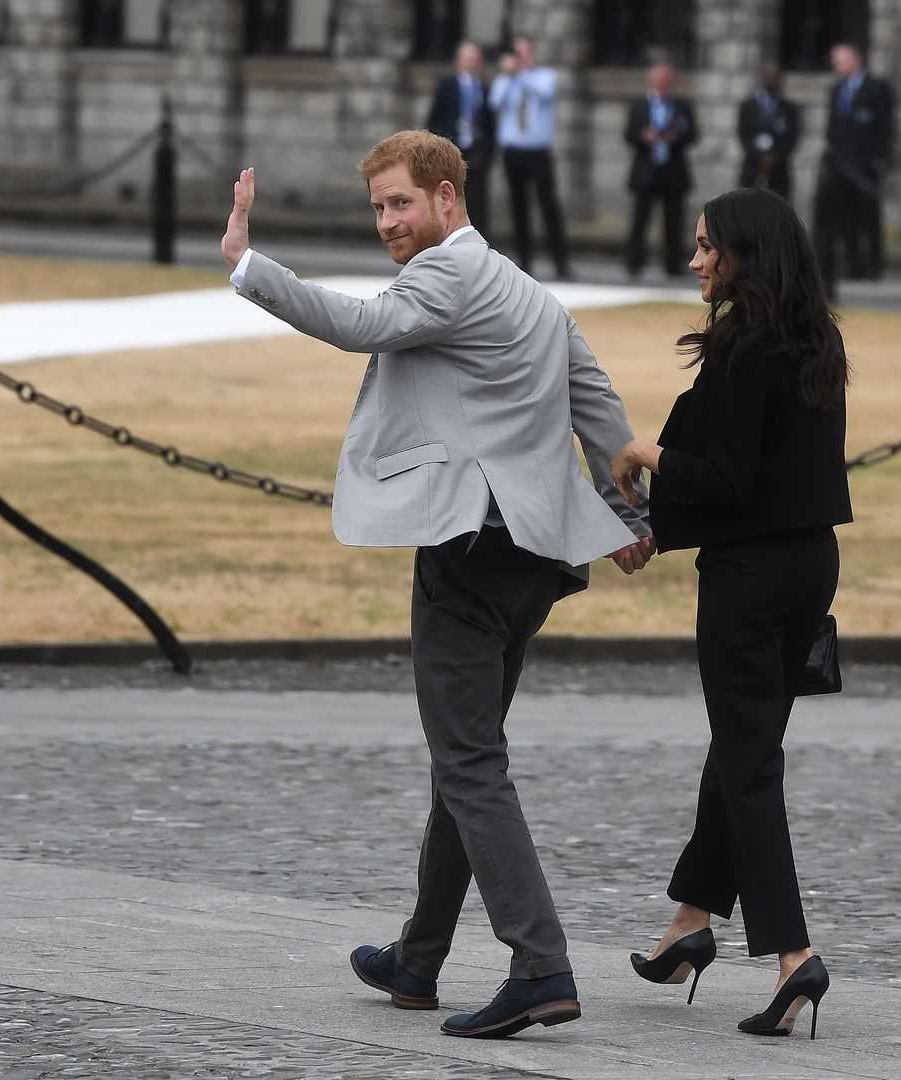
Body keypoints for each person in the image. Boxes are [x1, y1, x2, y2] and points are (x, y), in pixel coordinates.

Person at [220, 130, 654, 1039]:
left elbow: (360, 326)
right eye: (378, 208)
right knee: (463, 759)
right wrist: (635, 522)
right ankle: (418, 959)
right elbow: (596, 403)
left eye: (401, 204)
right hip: (534, 561)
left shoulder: (445, 278)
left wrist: (248, 265)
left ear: (448, 199)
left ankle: (541, 967)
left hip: (468, 553)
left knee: (469, 764)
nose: (388, 223)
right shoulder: (531, 295)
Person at [610, 187, 852, 1040]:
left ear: (746, 251)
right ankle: (691, 920)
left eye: (709, 245)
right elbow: (772, 486)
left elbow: (728, 481)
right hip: (807, 566)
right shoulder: (816, 337)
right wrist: (657, 534)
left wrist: (649, 454)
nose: (696, 260)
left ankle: (792, 957)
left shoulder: (746, 349)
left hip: (749, 581)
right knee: (743, 741)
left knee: (749, 764)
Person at [488, 34, 573, 279]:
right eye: (516, 54)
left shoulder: (544, 77)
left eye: (523, 53)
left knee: (548, 206)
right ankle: (524, 262)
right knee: (518, 207)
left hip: (538, 152)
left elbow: (544, 93)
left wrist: (520, 74)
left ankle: (560, 261)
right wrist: (507, 75)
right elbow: (495, 102)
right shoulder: (506, 80)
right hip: (513, 152)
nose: (519, 59)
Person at [814, 42, 894, 291]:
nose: (835, 65)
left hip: (865, 165)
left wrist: (879, 158)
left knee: (869, 216)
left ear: (854, 60)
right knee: (844, 217)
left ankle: (873, 264)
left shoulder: (876, 88)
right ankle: (852, 264)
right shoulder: (838, 89)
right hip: (841, 164)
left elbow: (884, 126)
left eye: (839, 59)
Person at [624, 63, 698, 278]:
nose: (663, 85)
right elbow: (628, 134)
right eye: (660, 80)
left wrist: (675, 138)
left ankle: (672, 264)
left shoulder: (682, 106)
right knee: (640, 219)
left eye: (667, 81)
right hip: (646, 170)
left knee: (673, 220)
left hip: (672, 170)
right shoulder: (639, 106)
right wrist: (643, 136)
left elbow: (692, 134)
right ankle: (634, 262)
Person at [426, 41, 495, 242]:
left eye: (474, 59)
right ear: (458, 61)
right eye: (467, 59)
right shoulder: (447, 86)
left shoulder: (484, 88)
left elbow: (491, 125)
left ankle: (479, 240)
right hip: (452, 147)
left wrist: (488, 153)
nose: (470, 63)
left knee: (477, 199)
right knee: (449, 196)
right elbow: (435, 118)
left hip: (476, 148)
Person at [737, 62, 800, 200]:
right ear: (762, 78)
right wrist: (758, 155)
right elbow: (743, 134)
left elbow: (793, 138)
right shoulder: (748, 106)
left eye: (776, 77)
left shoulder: (789, 108)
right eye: (769, 76)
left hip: (779, 169)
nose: (772, 80)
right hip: (752, 165)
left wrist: (775, 157)